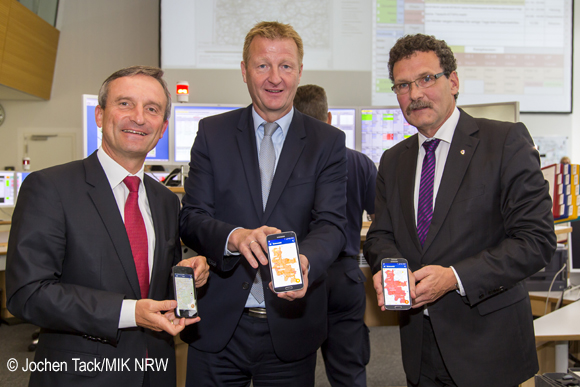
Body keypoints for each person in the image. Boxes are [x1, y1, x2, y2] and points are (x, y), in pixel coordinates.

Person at [363, 34, 556, 387]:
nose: (415, 93)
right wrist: (388, 268)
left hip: (488, 351)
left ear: (453, 81)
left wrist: (454, 277)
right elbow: (380, 236)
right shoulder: (393, 161)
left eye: (426, 79)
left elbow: (535, 241)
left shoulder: (505, 142)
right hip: (418, 349)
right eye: (403, 85)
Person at [6, 66, 210, 387]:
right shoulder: (50, 187)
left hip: (155, 371)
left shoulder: (165, 201)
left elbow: (150, 285)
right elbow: (27, 294)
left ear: (162, 128)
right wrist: (130, 313)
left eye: (152, 109)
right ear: (100, 115)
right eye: (125, 104)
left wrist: (187, 276)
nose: (139, 118)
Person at [179, 22, 347, 387]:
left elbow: (332, 224)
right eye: (262, 66)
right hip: (218, 325)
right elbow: (192, 217)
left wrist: (306, 261)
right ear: (244, 71)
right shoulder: (212, 133)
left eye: (285, 66)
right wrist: (234, 237)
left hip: (291, 326)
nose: (275, 78)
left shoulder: (328, 142)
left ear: (299, 72)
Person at [293, 84, 376, 387]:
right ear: (329, 117)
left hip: (298, 275)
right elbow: (381, 220)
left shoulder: (285, 163)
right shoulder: (360, 162)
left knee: (292, 369)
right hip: (346, 275)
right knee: (349, 372)